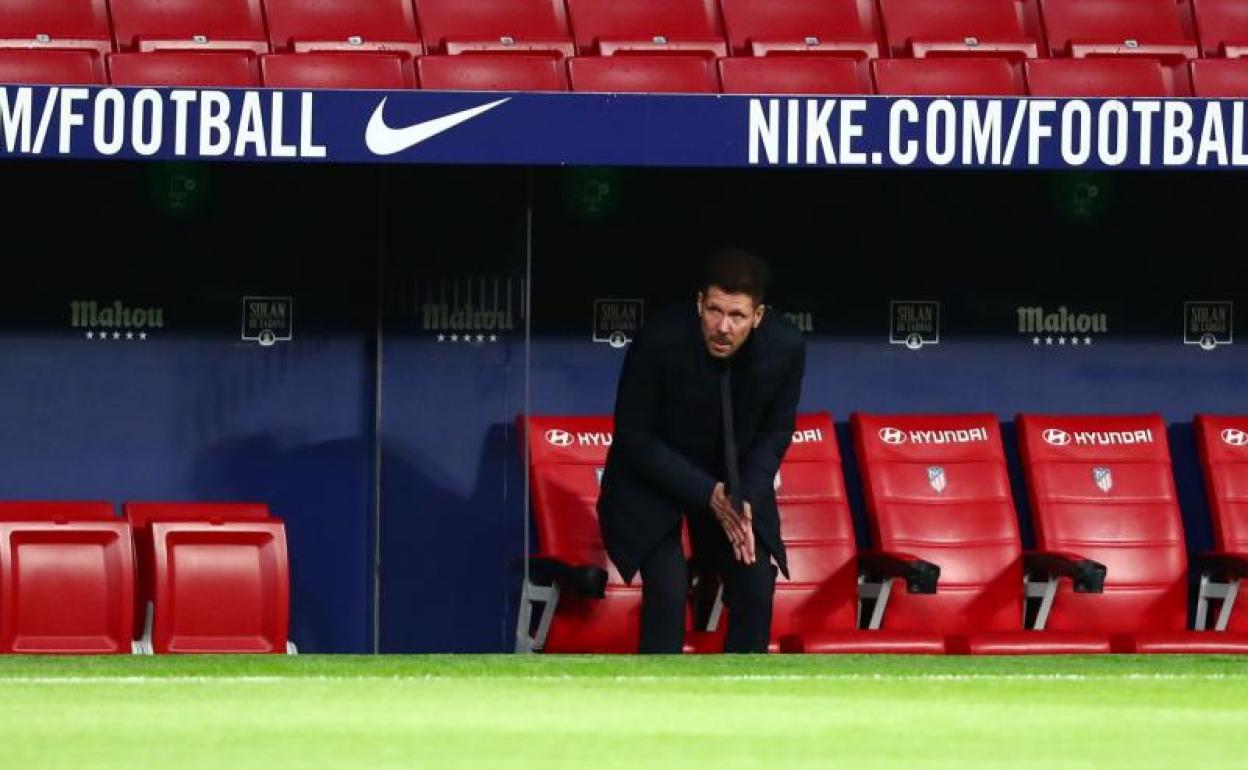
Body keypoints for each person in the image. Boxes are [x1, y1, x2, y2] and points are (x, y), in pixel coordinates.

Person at [597, 248, 806, 653]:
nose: (722, 327)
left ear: (758, 317)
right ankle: (660, 702)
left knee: (756, 581)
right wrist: (706, 492)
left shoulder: (785, 349)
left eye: (737, 316)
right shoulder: (659, 340)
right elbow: (634, 436)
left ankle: (741, 700)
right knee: (669, 587)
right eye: (714, 310)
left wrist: (746, 496)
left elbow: (776, 432)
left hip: (733, 481)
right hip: (653, 479)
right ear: (699, 303)